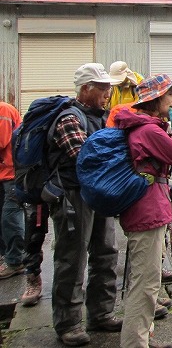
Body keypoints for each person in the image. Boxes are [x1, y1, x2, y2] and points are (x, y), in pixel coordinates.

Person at [114, 74, 172, 348]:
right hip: (147, 212)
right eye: (169, 94)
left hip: (147, 206)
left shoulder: (145, 127)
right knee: (145, 284)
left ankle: (143, 338)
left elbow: (151, 168)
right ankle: (135, 343)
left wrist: (167, 186)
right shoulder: (149, 131)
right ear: (156, 99)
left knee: (147, 281)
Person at [48, 63, 122, 346]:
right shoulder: (69, 118)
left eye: (108, 88)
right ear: (85, 89)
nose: (107, 93)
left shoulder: (100, 116)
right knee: (72, 258)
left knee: (107, 253)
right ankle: (68, 324)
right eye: (102, 88)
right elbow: (85, 160)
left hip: (98, 193)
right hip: (74, 197)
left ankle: (101, 314)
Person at [0, 101, 24, 279]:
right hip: (3, 174)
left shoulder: (3, 110)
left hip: (12, 174)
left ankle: (16, 261)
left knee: (10, 218)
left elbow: (2, 141)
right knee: (3, 218)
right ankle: (6, 256)